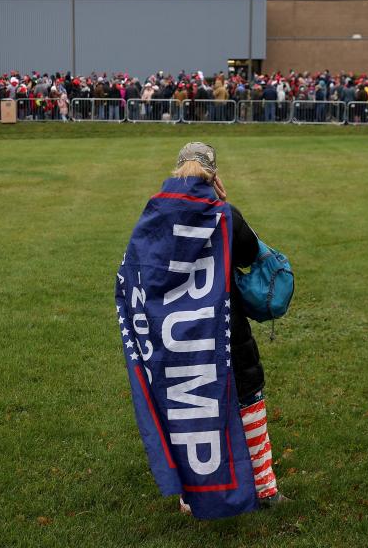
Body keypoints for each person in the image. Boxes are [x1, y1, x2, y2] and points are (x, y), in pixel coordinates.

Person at [117, 143, 286, 519]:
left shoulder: (153, 218)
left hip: (176, 341)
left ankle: (192, 496)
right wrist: (226, 205)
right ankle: (265, 488)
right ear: (214, 175)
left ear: (176, 171)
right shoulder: (225, 215)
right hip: (226, 333)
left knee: (186, 410)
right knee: (248, 403)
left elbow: (140, 271)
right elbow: (250, 254)